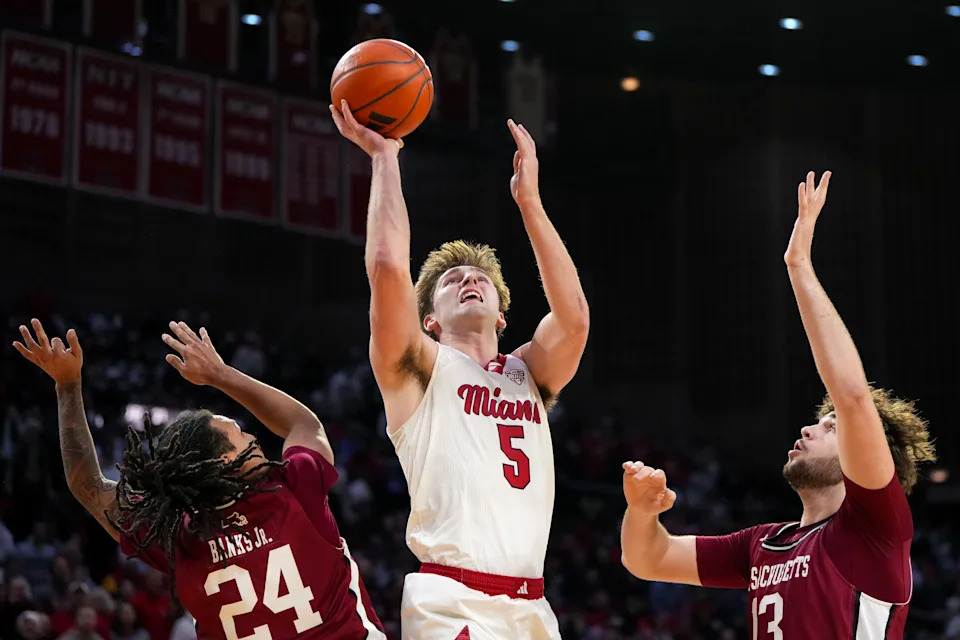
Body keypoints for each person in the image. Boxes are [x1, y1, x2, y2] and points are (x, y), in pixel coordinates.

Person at [619, 171, 937, 638]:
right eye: (819, 424)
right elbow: (647, 558)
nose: (809, 430)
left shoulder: (876, 531)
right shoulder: (763, 543)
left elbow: (851, 395)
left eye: (830, 428)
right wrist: (642, 511)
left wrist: (799, 266)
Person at [329, 101, 590, 639]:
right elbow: (386, 269)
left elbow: (575, 318)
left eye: (480, 278)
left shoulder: (529, 374)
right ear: (428, 319)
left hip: (533, 608)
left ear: (501, 314)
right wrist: (384, 158)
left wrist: (531, 206)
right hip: (453, 600)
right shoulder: (418, 370)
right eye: (451, 282)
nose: (468, 280)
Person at [13, 319, 385, 639]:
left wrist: (67, 386)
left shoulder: (178, 533)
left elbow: (88, 486)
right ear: (226, 458)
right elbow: (305, 424)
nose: (253, 436)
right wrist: (220, 374)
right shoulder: (292, 490)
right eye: (239, 432)